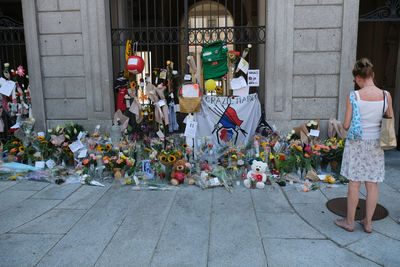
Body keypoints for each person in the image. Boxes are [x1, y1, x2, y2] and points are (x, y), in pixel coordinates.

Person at [334, 58, 394, 233]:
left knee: (354, 183)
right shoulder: (385, 95)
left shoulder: (354, 96)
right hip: (376, 143)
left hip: (357, 143)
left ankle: (350, 222)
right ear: (372, 75)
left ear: (358, 78)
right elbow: (390, 119)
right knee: (372, 183)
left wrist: (342, 125)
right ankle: (368, 222)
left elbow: (346, 125)